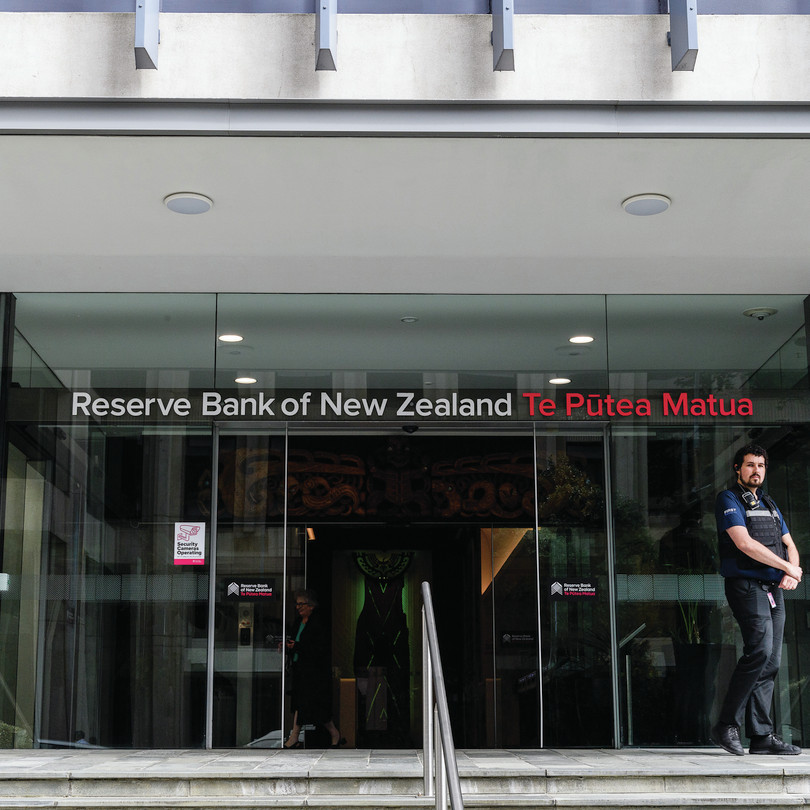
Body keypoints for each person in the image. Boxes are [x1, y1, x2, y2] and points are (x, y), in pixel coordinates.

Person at [711, 443, 803, 756]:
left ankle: (762, 736)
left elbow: (789, 544)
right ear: (738, 468)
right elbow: (744, 542)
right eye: (750, 465)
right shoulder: (729, 498)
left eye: (761, 466)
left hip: (774, 588)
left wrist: (794, 570)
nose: (756, 471)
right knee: (759, 651)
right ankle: (726, 724)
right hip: (746, 586)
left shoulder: (769, 502)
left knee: (772, 661)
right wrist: (785, 567)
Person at [283, 589, 346, 749]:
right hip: (300, 671)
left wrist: (297, 646)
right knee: (300, 703)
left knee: (314, 706)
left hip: (314, 673)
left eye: (301, 604)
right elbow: (294, 641)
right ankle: (297, 736)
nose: (298, 607)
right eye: (296, 604)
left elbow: (317, 647)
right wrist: (288, 646)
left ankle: (331, 734)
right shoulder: (298, 622)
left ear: (311, 606)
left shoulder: (317, 623)